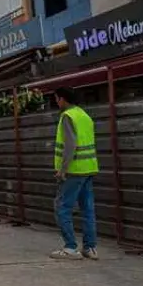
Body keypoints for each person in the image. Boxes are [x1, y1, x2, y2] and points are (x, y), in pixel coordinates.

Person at [52, 87, 99, 261]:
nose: (57, 103)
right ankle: (90, 247)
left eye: (57, 99)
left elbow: (70, 145)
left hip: (73, 170)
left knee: (62, 207)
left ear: (63, 99)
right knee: (88, 209)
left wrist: (62, 170)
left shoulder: (67, 116)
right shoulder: (84, 116)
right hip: (89, 168)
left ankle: (70, 247)